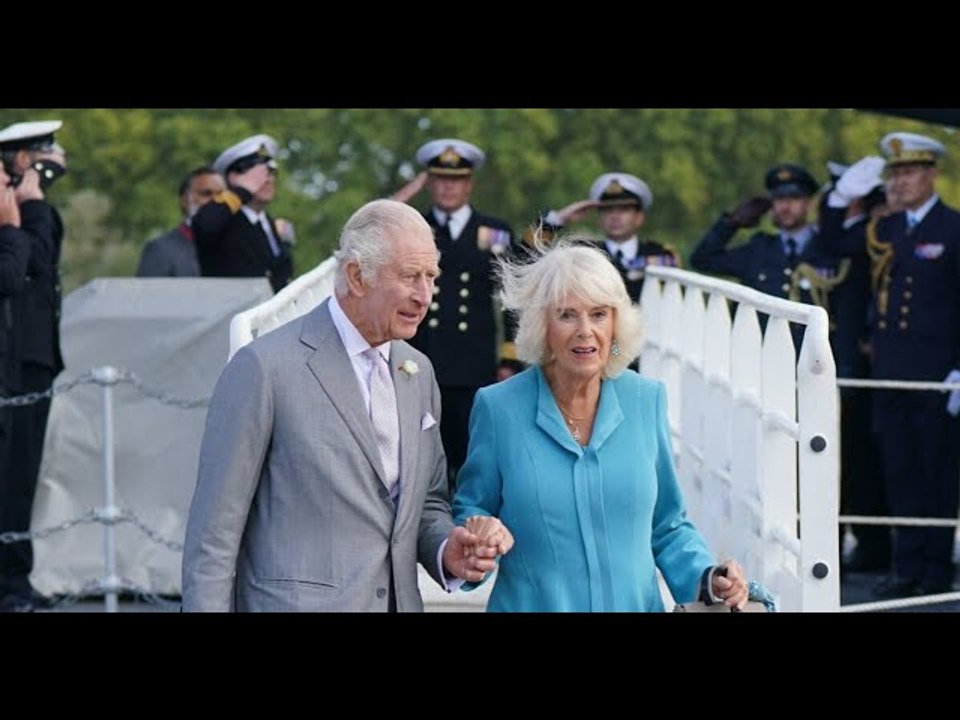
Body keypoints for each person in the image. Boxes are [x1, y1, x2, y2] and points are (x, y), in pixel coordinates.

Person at [182, 199, 512, 612]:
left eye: (431, 277)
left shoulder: (419, 372)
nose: (424, 295)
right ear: (356, 276)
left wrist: (448, 550)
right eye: (410, 276)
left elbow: (425, 502)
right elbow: (214, 532)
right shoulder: (264, 367)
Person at [451, 238, 750, 611]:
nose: (584, 330)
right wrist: (478, 541)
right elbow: (471, 513)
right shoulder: (498, 407)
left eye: (598, 314)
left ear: (616, 323)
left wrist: (709, 578)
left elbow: (668, 525)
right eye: (566, 315)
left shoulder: (646, 400)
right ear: (542, 324)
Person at [821, 133, 960, 598]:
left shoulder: (953, 228)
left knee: (937, 473)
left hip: (937, 374)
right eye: (894, 173)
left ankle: (936, 570)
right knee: (898, 470)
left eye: (908, 172)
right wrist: (841, 198)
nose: (899, 182)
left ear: (930, 174)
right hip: (890, 371)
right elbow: (834, 243)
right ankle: (906, 566)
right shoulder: (886, 228)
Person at [390, 138, 518, 493]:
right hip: (419, 355)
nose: (448, 186)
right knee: (419, 448)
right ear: (429, 182)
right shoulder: (412, 228)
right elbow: (370, 233)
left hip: (473, 359)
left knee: (471, 451)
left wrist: (510, 355)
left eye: (457, 179)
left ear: (469, 183)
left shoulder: (495, 231)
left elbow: (510, 298)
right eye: (440, 178)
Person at [815, 158, 892, 574]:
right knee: (851, 456)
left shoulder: (876, 230)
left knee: (867, 459)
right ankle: (867, 543)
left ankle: (876, 544)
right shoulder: (853, 232)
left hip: (869, 359)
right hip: (853, 359)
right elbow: (829, 242)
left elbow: (837, 244)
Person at [0, 120, 65, 613]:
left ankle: (15, 579)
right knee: (11, 477)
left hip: (33, 360)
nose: (55, 156)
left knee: (21, 479)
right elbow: (30, 268)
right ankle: (11, 585)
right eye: (43, 151)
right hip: (12, 362)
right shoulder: (21, 215)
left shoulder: (34, 212)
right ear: (18, 159)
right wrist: (31, 205)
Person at [532, 173, 680, 303]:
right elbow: (525, 260)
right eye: (607, 209)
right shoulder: (583, 252)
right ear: (599, 217)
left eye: (624, 209)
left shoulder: (659, 253)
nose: (615, 216)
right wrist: (557, 220)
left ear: (639, 217)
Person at [192, 134, 294, 293]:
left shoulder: (267, 222)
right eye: (259, 174)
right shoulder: (224, 221)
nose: (268, 180)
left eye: (271, 173)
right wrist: (241, 192)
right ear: (234, 178)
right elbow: (204, 225)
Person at [136, 166, 224, 277]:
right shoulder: (161, 250)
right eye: (206, 194)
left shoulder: (238, 247)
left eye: (221, 195)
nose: (215, 201)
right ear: (184, 200)